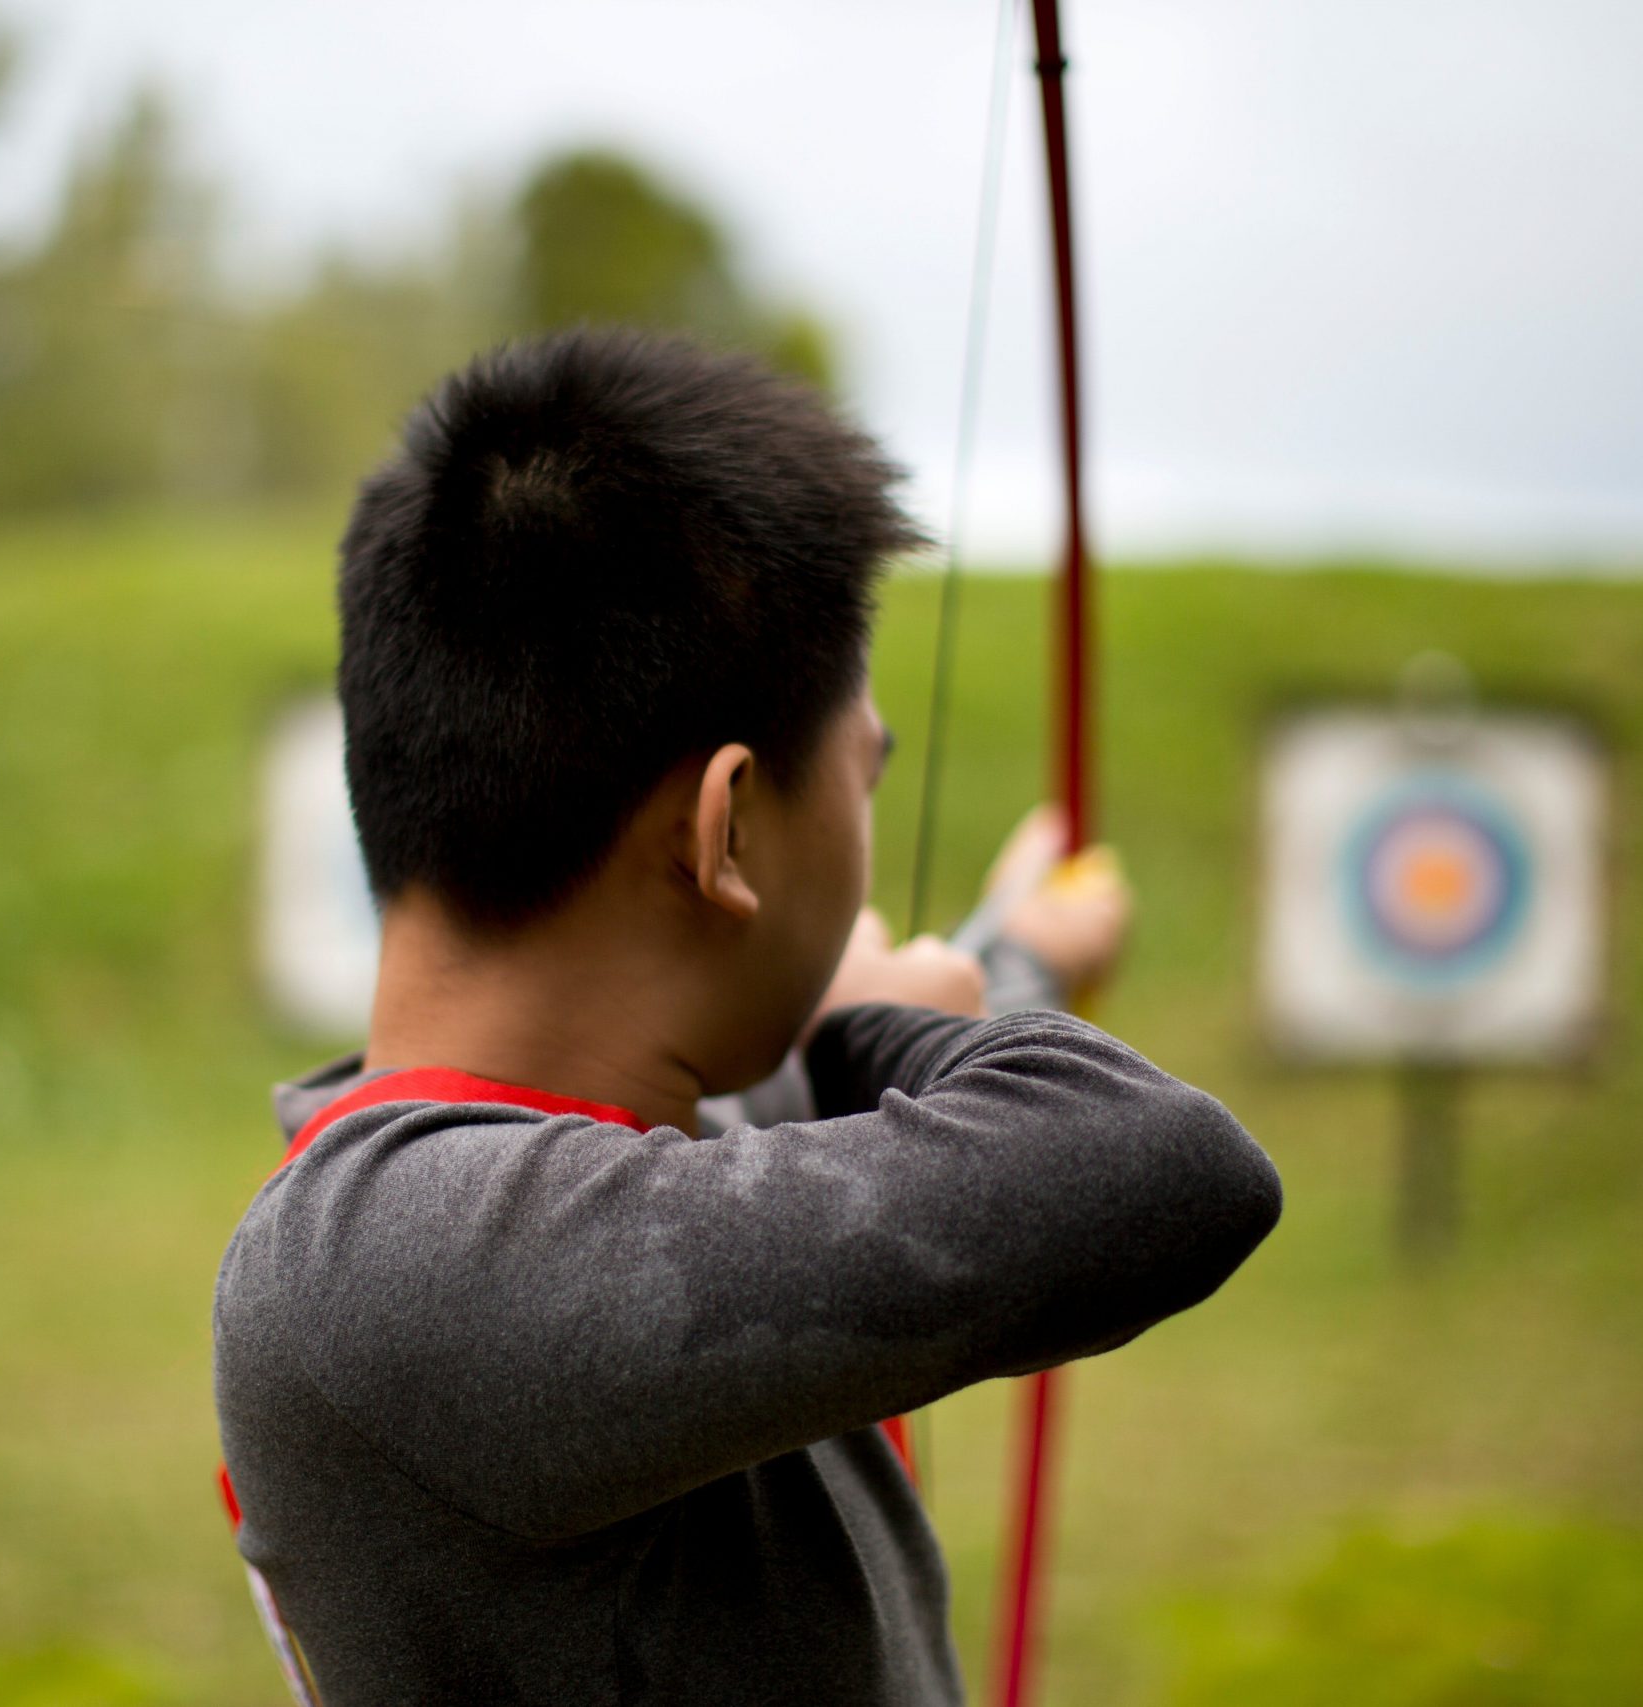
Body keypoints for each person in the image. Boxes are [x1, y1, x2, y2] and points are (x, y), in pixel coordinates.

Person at [214, 329, 1281, 1705]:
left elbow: (797, 1115)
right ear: (723, 833)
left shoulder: (590, 1160)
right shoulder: (399, 1265)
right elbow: (1160, 1166)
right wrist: (876, 1024)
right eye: (863, 775)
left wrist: (1012, 956)